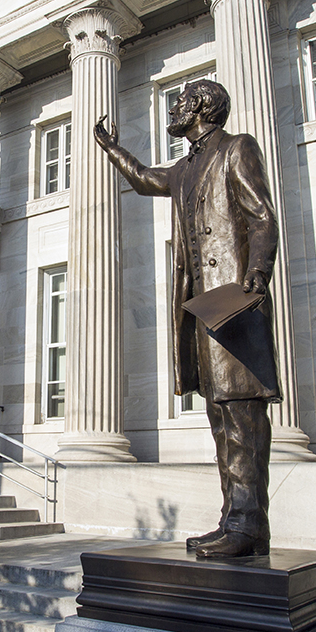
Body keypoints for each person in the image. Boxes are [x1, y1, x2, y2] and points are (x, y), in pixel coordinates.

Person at [93, 79, 279, 558]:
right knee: (221, 417)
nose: (173, 110)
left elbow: (262, 217)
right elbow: (145, 180)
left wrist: (258, 271)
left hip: (235, 302)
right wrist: (113, 149)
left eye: (179, 102)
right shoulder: (184, 167)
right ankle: (236, 520)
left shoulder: (237, 148)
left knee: (242, 416)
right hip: (202, 309)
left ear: (200, 106)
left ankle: (248, 525)